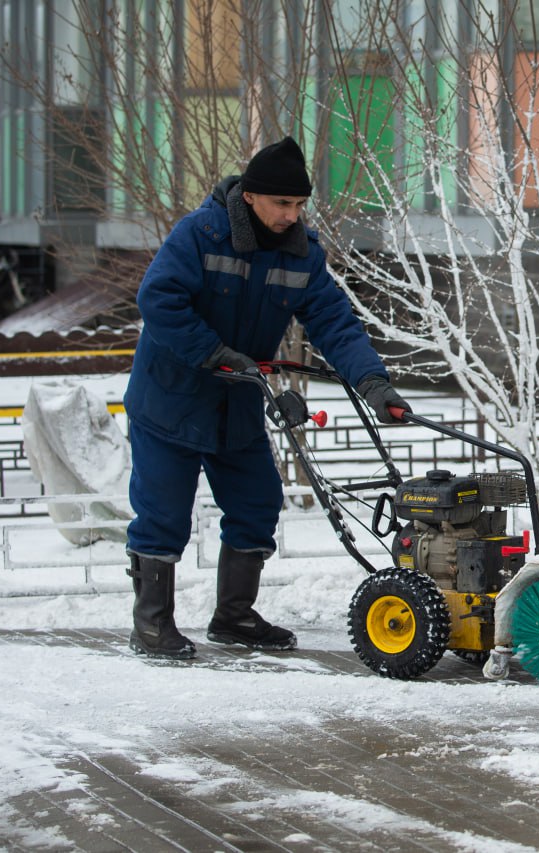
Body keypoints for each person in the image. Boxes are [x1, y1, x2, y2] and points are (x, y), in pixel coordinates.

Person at [124, 136, 412, 660]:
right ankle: (151, 624)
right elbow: (157, 301)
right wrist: (213, 353)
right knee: (163, 512)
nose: (292, 215)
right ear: (252, 196)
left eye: (300, 205)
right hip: (171, 398)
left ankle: (233, 616)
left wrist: (374, 383)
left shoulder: (300, 254)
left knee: (257, 502)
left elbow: (333, 322)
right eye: (283, 204)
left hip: (236, 401)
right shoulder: (200, 235)